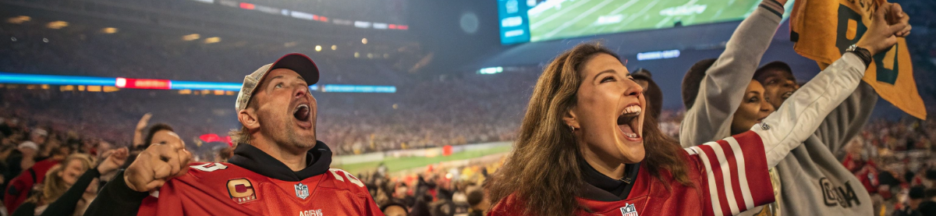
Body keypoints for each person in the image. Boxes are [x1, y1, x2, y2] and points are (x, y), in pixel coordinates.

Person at [483, 7, 907, 213]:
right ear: (568, 113)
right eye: (609, 79)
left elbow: (788, 125)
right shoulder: (525, 209)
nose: (633, 86)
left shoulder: (687, 177)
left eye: (630, 76)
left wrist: (862, 52)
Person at [678, 1, 910, 215]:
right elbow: (731, 72)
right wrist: (772, 6)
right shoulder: (713, 161)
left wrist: (878, 41)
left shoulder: (806, 139)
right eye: (752, 98)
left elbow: (829, 97)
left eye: (764, 96)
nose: (766, 106)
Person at [85, 53, 381, 215]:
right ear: (249, 117)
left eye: (303, 83)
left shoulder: (351, 191)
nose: (302, 89)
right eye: (280, 85)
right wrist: (123, 190)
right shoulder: (194, 187)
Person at [10, 153, 99, 216]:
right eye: (77, 168)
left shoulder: (84, 204)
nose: (80, 173)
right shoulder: (37, 199)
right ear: (61, 172)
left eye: (85, 171)